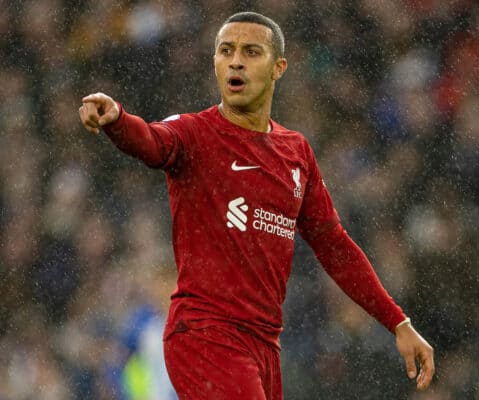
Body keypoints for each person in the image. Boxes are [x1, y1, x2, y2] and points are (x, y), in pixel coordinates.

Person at [79, 11, 434, 400]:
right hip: (205, 334)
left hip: (264, 345)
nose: (235, 60)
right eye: (226, 51)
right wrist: (117, 120)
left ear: (278, 67)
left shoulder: (296, 152)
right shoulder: (195, 133)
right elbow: (151, 141)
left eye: (251, 51)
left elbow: (334, 246)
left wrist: (397, 322)